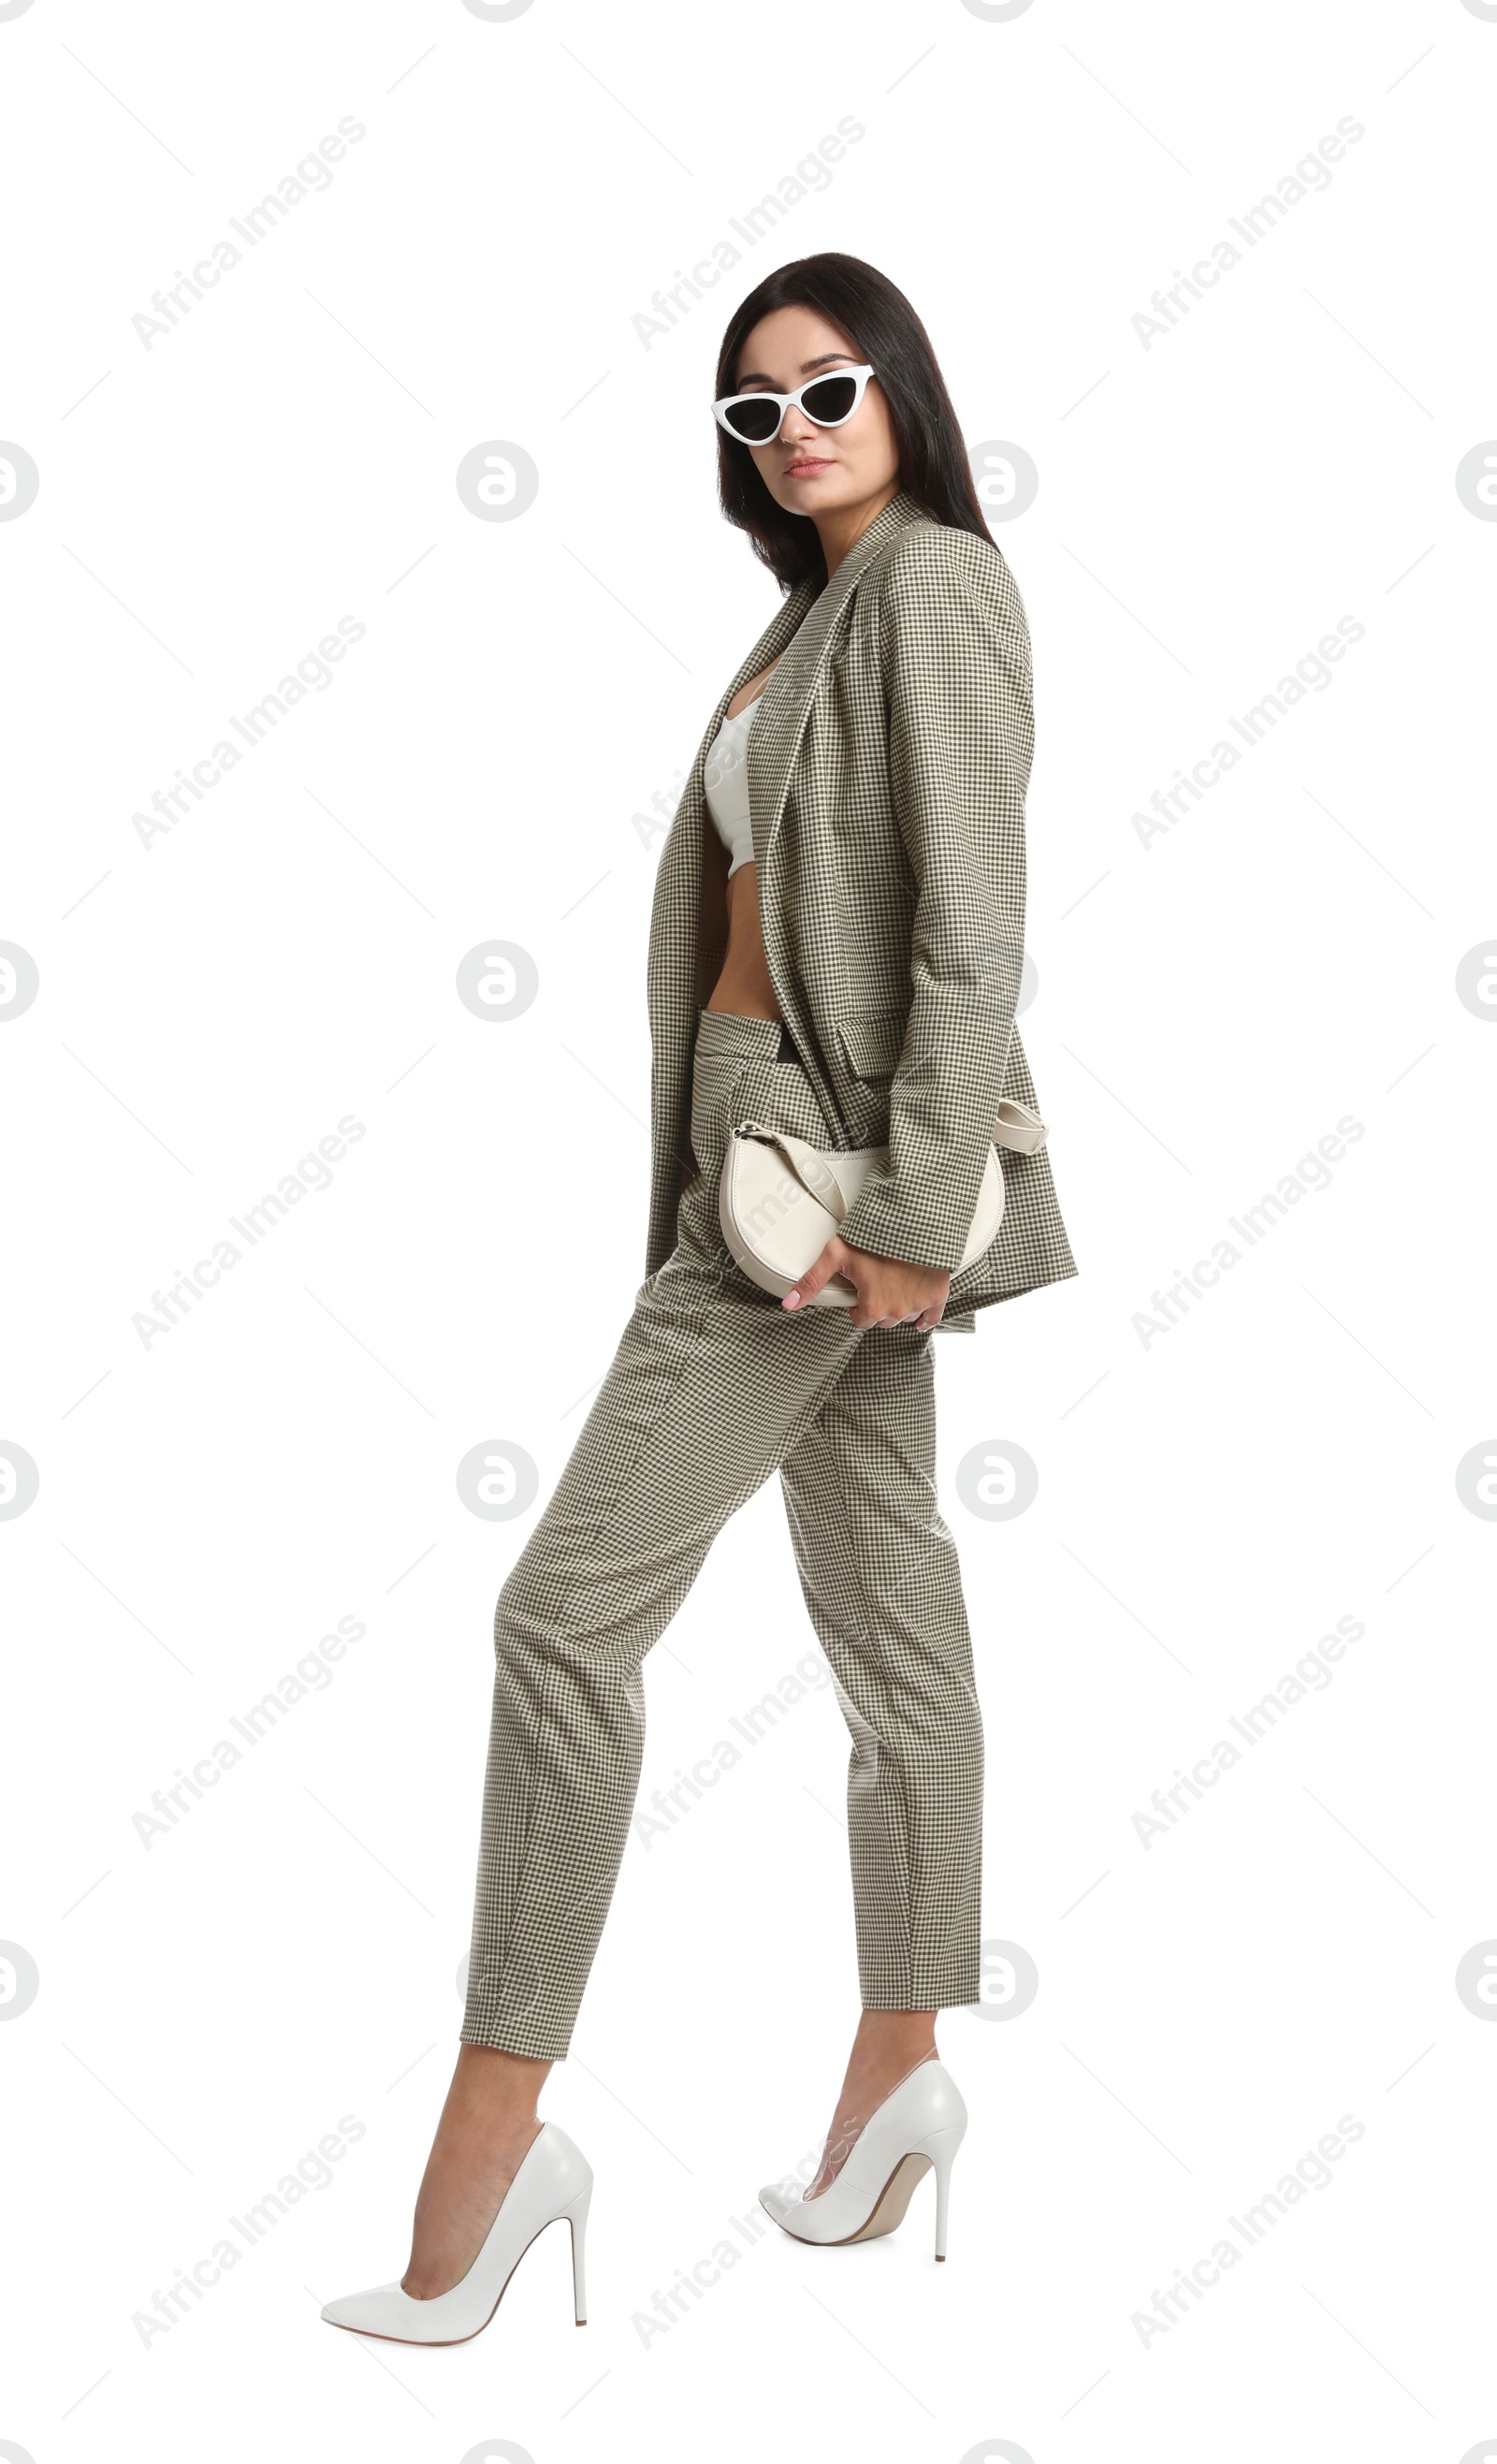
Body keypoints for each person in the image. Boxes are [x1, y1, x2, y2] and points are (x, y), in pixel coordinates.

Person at [322, 251, 1077, 2347]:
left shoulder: (932, 586)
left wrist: (921, 1204)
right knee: (889, 1617)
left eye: (825, 384)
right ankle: (900, 2074)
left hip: (816, 1189)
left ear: (902, 385)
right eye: (754, 408)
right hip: (760, 1162)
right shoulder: (806, 615)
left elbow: (971, 922)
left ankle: (487, 2159)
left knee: (562, 1618)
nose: (796, 424)